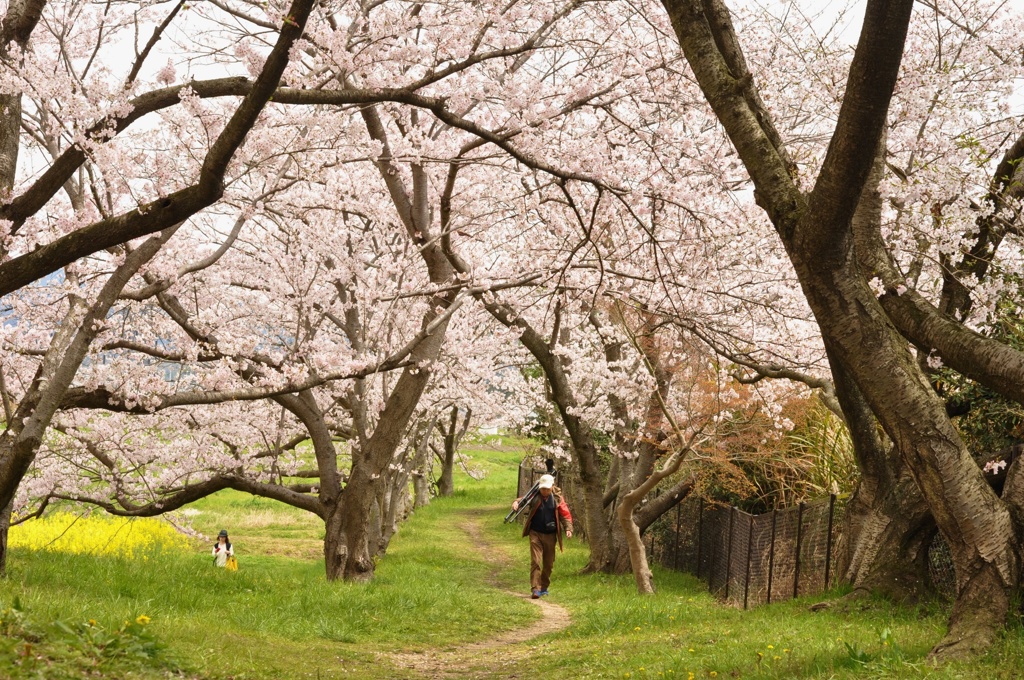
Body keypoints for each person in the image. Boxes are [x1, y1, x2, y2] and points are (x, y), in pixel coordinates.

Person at [511, 474, 573, 599]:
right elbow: (522, 500)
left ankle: (544, 586)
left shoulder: (557, 498)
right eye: (542, 489)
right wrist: (516, 503)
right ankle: (535, 588)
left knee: (549, 564)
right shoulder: (534, 496)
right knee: (536, 561)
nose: (544, 491)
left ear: (552, 487)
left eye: (547, 489)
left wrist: (568, 528)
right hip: (535, 533)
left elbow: (565, 515)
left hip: (550, 535)